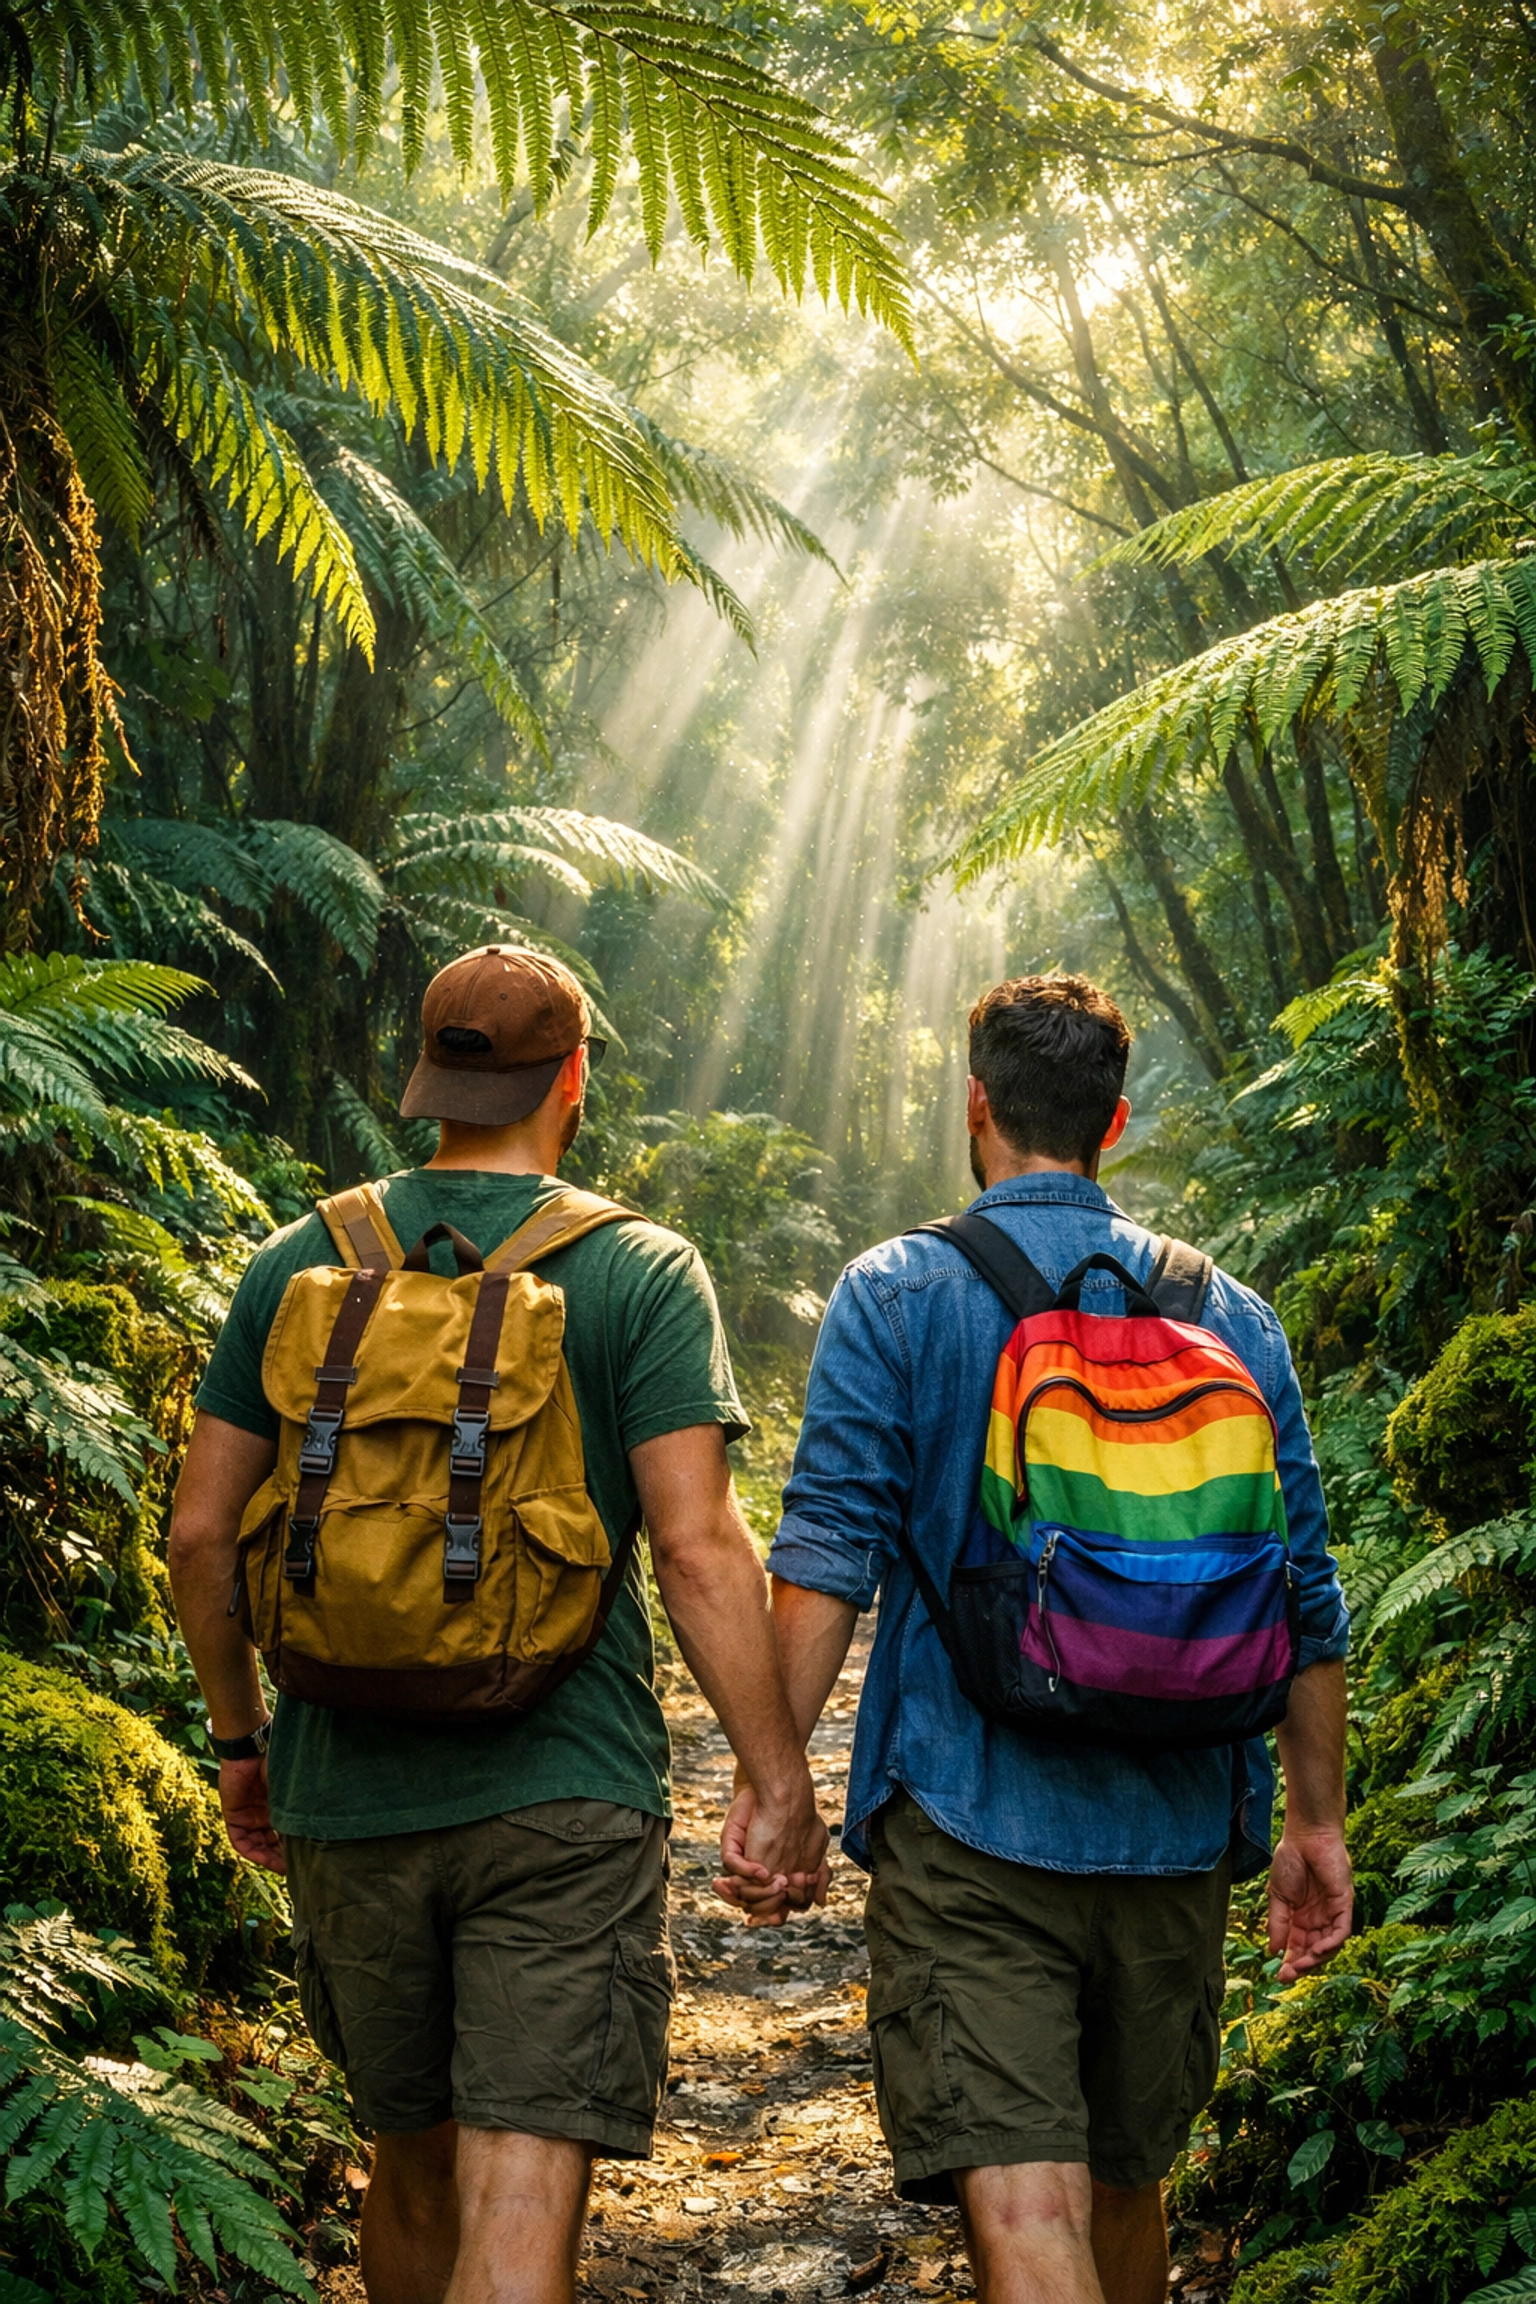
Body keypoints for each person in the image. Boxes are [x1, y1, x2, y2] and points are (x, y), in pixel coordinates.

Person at [169, 945, 828, 2304]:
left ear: (426, 1079)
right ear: (572, 1079)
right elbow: (701, 1548)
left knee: (409, 2171)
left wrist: (243, 1744)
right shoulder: (639, 1269)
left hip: (344, 1789)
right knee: (519, 2198)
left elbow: (196, 1537)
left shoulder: (298, 1260)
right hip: (561, 1793)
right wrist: (779, 1783)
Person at [722, 974, 1352, 2304]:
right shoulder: (1230, 1315)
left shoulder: (896, 1293)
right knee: (1128, 2200)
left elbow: (826, 1553)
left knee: (1029, 2215)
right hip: (1180, 1831)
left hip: (971, 1823)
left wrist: (778, 1789)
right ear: (1114, 1123)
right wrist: (1316, 1824)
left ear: (977, 1108)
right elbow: (1305, 1592)